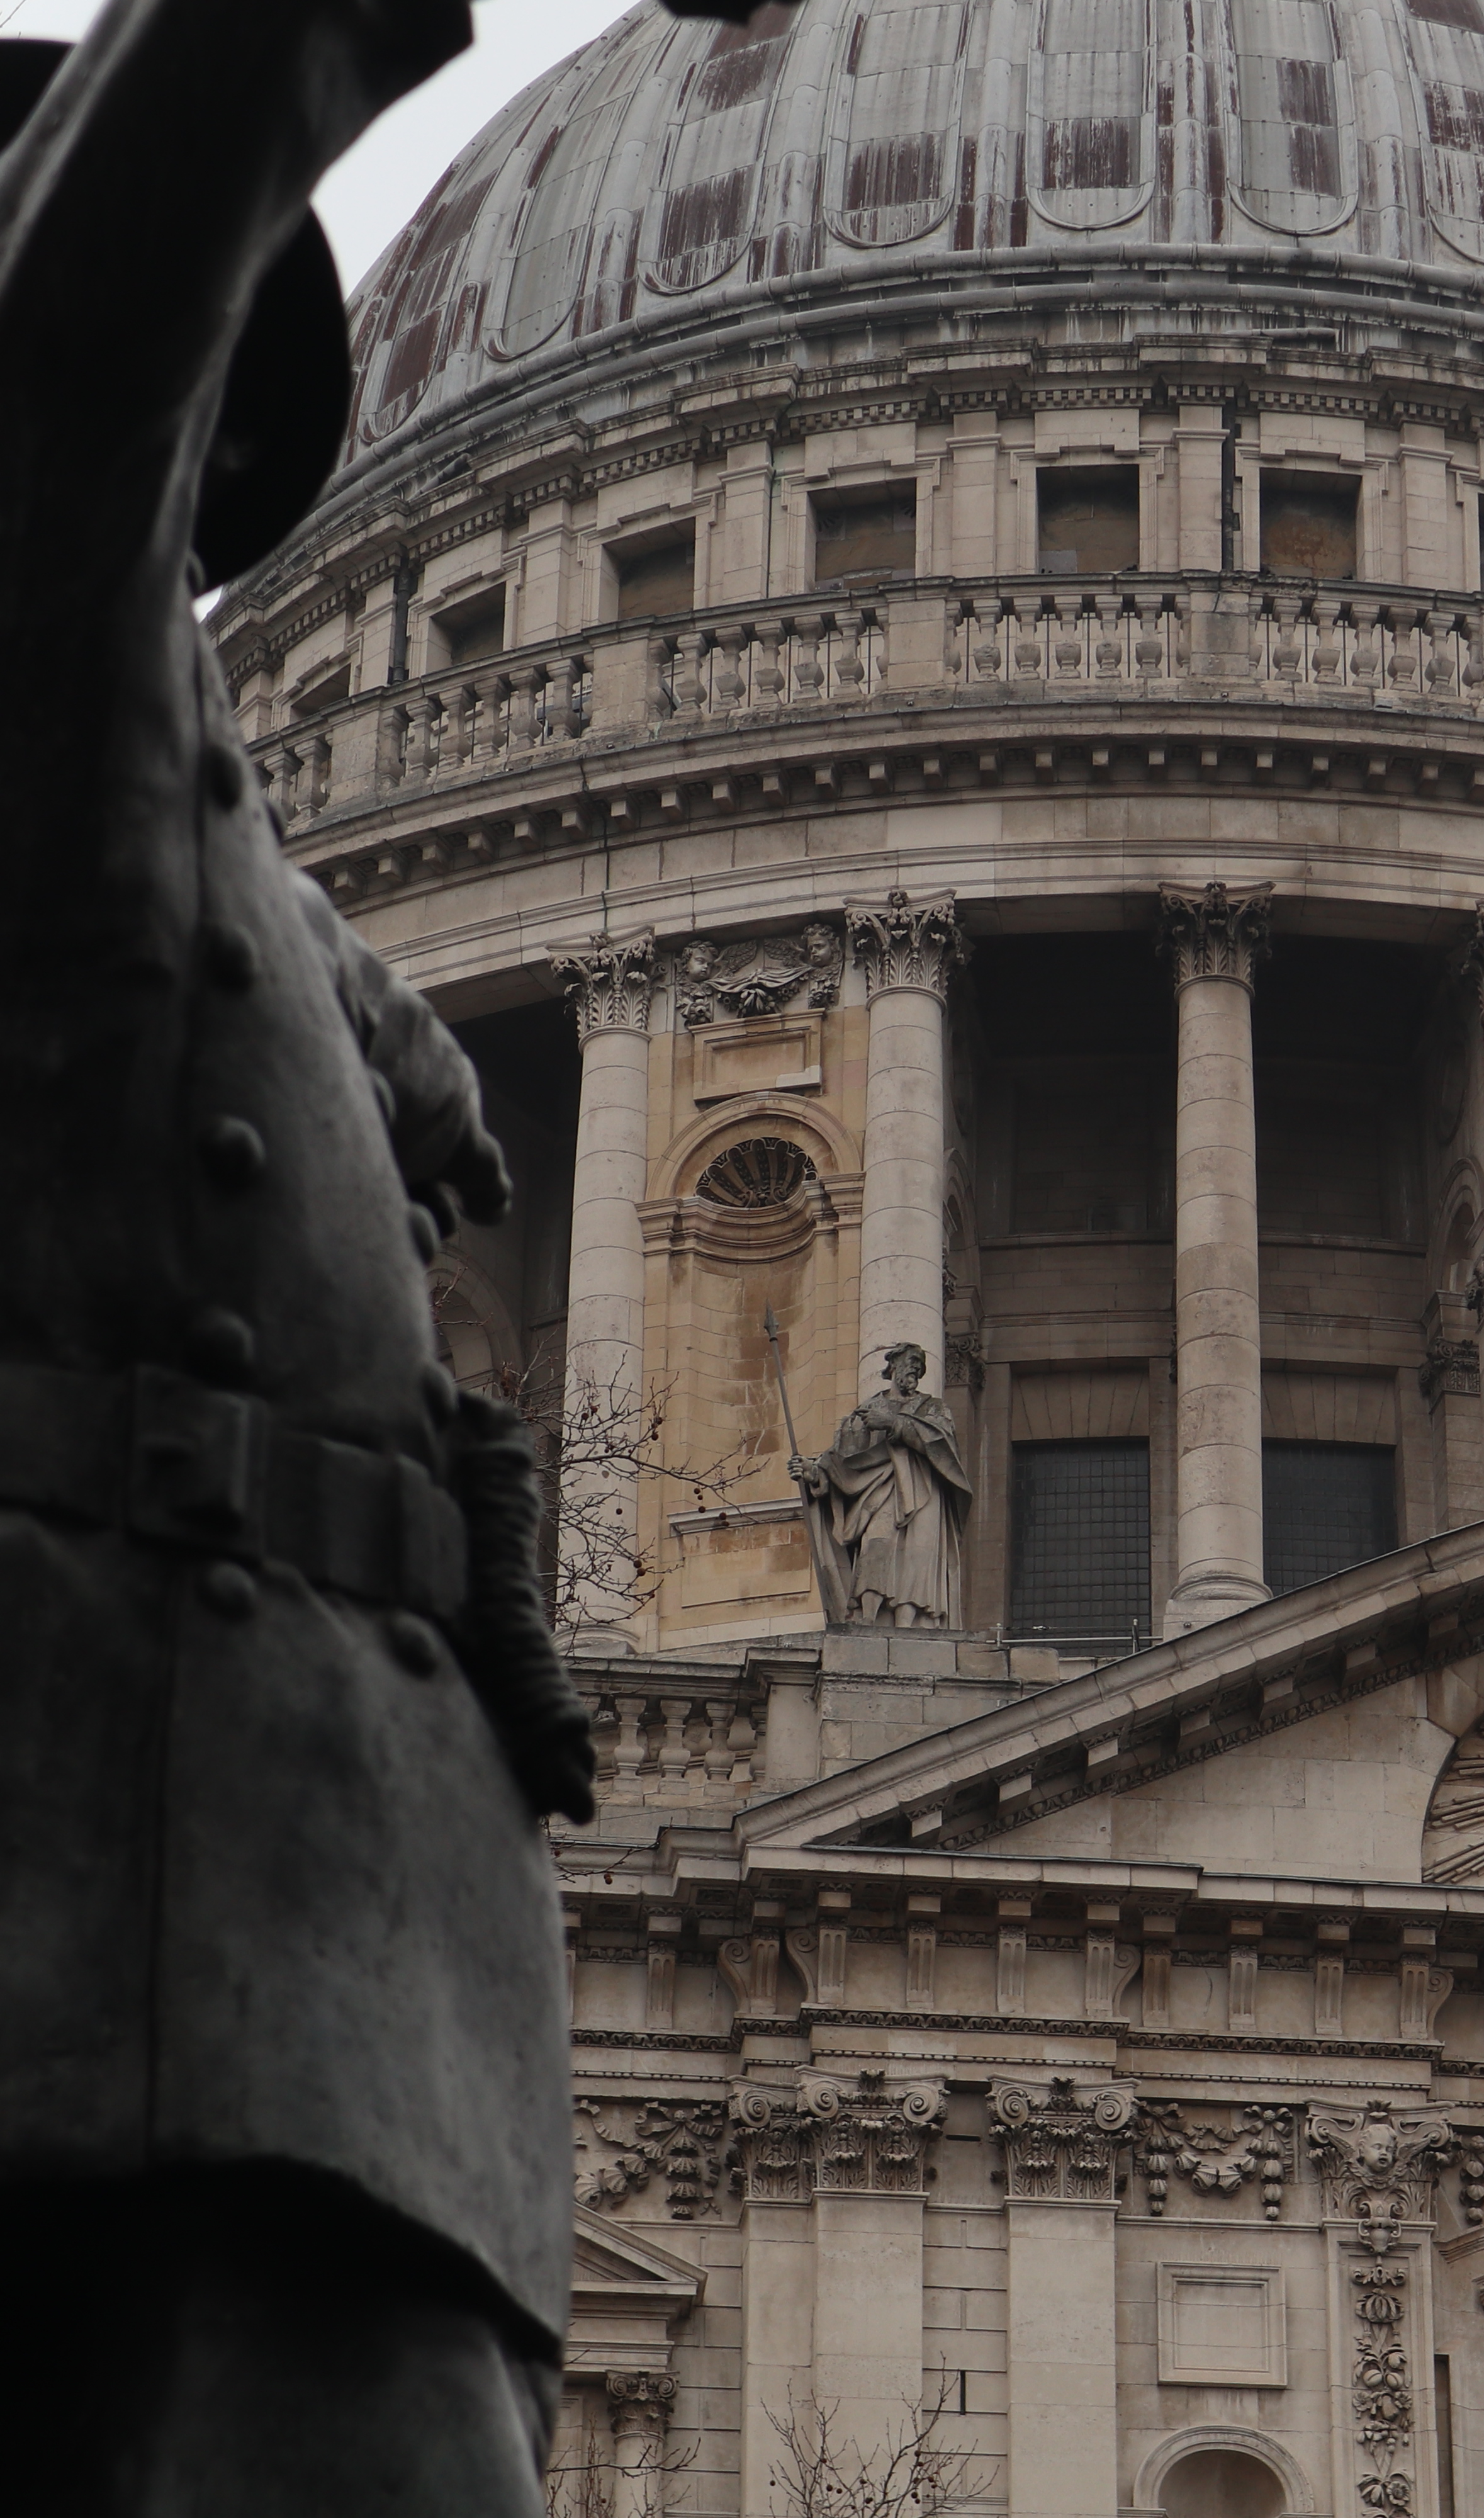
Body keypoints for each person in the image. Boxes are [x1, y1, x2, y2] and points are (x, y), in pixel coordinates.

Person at [0, 3, 727, 2504]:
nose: (208, 470)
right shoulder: (29, 585)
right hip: (190, 1950)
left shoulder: (195, 847)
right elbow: (111, 257)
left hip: (289, 1947)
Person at [797, 1342, 974, 1626]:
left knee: (918, 1559)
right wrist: (815, 1473)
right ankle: (869, 1618)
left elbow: (944, 1447)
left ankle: (909, 1625)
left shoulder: (933, 1407)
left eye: (920, 1363)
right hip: (880, 1493)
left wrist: (894, 1424)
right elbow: (846, 1460)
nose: (915, 1367)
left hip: (925, 1490)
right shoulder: (867, 1411)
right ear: (892, 1366)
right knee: (875, 1548)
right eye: (909, 1360)